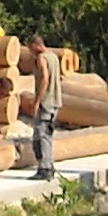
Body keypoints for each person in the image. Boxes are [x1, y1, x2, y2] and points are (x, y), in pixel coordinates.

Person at [26, 33, 64, 178]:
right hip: (55, 102)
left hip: (46, 103)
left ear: (35, 45)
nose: (30, 51)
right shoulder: (53, 56)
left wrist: (37, 102)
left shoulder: (41, 58)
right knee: (46, 134)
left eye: (30, 48)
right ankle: (49, 164)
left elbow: (45, 80)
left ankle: (45, 169)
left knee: (42, 136)